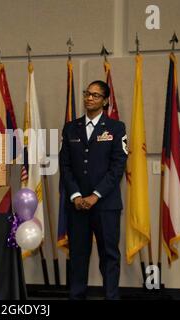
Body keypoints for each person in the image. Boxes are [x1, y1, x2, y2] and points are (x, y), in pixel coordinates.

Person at [59, 80, 128, 300]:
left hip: (106, 205)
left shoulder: (116, 128)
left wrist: (95, 195)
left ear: (105, 100)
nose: (89, 98)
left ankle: (111, 297)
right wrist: (76, 196)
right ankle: (76, 296)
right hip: (77, 205)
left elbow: (118, 167)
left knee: (109, 255)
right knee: (78, 256)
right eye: (87, 94)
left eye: (96, 95)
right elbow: (65, 165)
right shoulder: (71, 128)